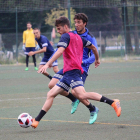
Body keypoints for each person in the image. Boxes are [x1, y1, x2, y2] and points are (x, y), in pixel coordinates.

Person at [31, 16, 121, 128]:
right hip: (68, 72)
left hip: (73, 72)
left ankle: (112, 102)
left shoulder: (65, 36)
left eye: (59, 29)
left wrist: (48, 64)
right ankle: (37, 120)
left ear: (65, 27)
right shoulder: (78, 37)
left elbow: (59, 51)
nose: (58, 31)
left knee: (81, 95)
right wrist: (97, 59)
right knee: (51, 93)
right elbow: (93, 48)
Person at [48, 13, 99, 124]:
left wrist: (84, 62)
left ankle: (92, 109)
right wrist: (50, 62)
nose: (76, 25)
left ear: (85, 23)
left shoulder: (90, 37)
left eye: (79, 22)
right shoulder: (72, 34)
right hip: (69, 66)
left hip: (82, 68)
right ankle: (73, 99)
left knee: (77, 92)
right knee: (52, 85)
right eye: (75, 22)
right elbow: (60, 49)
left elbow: (95, 53)